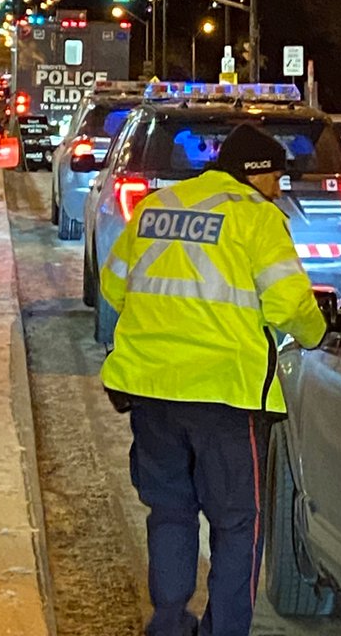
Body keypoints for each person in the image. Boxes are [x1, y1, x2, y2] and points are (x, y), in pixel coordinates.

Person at [100, 123, 327, 636]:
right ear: (258, 173)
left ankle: (168, 621)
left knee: (170, 511)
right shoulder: (256, 217)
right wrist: (315, 335)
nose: (280, 189)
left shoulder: (155, 208)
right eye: (277, 178)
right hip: (225, 397)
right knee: (237, 526)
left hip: (151, 391)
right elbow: (289, 304)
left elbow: (114, 288)